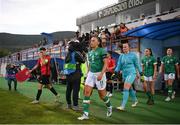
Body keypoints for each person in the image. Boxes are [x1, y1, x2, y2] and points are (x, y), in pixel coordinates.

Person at [78, 36, 112, 120]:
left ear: (98, 42)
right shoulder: (89, 52)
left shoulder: (102, 51)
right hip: (91, 74)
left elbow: (105, 64)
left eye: (93, 40)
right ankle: (85, 114)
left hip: (99, 74)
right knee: (86, 92)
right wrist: (87, 75)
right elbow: (90, 65)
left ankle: (109, 106)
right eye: (91, 41)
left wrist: (101, 74)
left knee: (102, 95)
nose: (91, 42)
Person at [115, 42, 143, 111]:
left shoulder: (133, 55)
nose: (124, 48)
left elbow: (137, 65)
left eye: (126, 47)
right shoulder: (121, 56)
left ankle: (122, 106)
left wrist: (141, 72)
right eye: (123, 47)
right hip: (124, 74)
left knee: (126, 87)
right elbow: (119, 65)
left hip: (132, 73)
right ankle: (135, 100)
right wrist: (115, 72)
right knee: (129, 88)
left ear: (129, 48)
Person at [64, 41, 85, 110]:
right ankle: (75, 106)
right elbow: (83, 60)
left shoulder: (68, 54)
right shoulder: (76, 53)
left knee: (68, 90)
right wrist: (83, 54)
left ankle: (68, 105)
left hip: (68, 75)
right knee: (75, 90)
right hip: (76, 74)